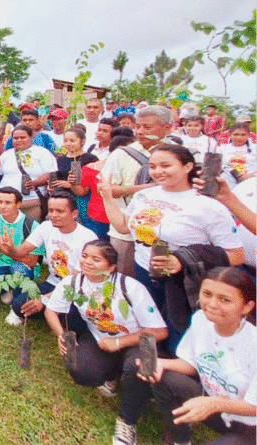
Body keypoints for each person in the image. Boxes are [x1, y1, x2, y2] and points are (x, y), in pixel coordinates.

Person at [99, 145, 244, 351]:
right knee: (149, 326)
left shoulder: (208, 206)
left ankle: (179, 372)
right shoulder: (145, 195)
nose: (158, 171)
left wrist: (182, 259)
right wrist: (107, 197)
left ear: (187, 166)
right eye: (153, 166)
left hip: (184, 283)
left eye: (166, 165)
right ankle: (147, 369)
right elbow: (123, 225)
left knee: (179, 335)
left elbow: (236, 256)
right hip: (143, 272)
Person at [45, 240, 168, 445]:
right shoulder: (73, 283)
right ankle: (112, 375)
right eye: (84, 256)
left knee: (139, 367)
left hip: (138, 341)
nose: (87, 262)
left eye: (96, 259)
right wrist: (61, 334)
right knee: (78, 366)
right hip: (102, 340)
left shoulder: (129, 287)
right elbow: (51, 310)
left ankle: (127, 421)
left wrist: (120, 342)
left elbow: (160, 332)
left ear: (111, 267)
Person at [140, 267, 256, 445]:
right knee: (162, 377)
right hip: (214, 405)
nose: (212, 304)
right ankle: (180, 440)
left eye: (225, 299)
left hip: (250, 424)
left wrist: (214, 404)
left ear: (247, 306)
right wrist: (161, 363)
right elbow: (193, 363)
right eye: (207, 294)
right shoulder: (200, 319)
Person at [0, 192, 98, 325]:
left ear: (74, 214)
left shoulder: (87, 237)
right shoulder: (46, 226)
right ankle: (48, 311)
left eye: (60, 211)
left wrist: (44, 299)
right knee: (19, 303)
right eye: (51, 210)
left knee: (74, 320)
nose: (53, 215)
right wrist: (11, 247)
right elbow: (22, 250)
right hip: (53, 283)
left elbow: (76, 281)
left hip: (77, 288)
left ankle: (51, 312)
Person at [100, 105, 172, 277]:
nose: (139, 131)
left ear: (167, 128)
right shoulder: (122, 154)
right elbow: (104, 188)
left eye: (147, 127)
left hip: (166, 232)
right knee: (125, 278)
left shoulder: (179, 153)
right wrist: (142, 189)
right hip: (126, 231)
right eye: (137, 126)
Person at [0, 187, 43, 321]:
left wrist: (7, 250)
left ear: (18, 204)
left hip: (23, 265)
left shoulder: (31, 225)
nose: (2, 206)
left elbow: (33, 261)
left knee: (19, 270)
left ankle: (17, 306)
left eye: (8, 202)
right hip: (0, 265)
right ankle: (7, 288)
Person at [0, 125, 57, 221]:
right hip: (7, 203)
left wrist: (36, 183)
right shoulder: (6, 155)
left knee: (32, 231)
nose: (19, 140)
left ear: (31, 138)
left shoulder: (42, 153)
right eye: (15, 138)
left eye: (23, 137)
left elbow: (51, 173)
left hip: (32, 202)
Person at [51, 127, 98, 228]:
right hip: (63, 200)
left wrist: (69, 184)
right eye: (65, 141)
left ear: (82, 141)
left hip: (83, 200)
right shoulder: (61, 159)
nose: (68, 144)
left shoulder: (90, 159)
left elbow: (92, 184)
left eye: (72, 141)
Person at [218, 122, 255, 190]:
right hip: (227, 180)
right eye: (236, 134)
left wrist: (251, 176)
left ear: (249, 135)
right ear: (230, 135)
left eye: (243, 135)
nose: (239, 137)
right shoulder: (222, 149)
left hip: (250, 180)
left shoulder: (255, 148)